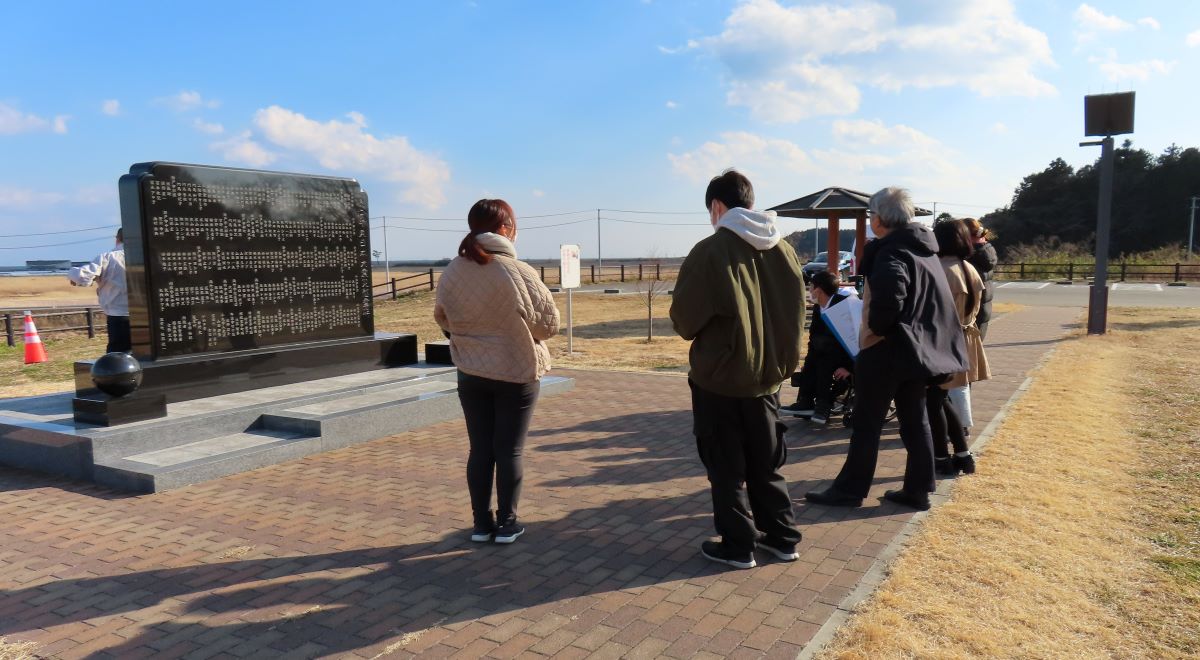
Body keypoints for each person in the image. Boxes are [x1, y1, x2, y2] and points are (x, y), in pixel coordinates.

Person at [671, 169, 805, 569]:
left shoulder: (710, 251)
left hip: (721, 379)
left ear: (717, 207)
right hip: (768, 378)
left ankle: (738, 544)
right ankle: (782, 538)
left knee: (726, 468)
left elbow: (684, 321)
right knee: (767, 464)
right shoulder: (785, 250)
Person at [805, 187, 968, 511]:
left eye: (870, 215)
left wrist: (878, 326)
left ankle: (850, 491)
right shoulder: (925, 249)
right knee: (915, 420)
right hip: (917, 350)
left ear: (879, 219)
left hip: (885, 350)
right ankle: (918, 490)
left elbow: (889, 298)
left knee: (867, 424)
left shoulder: (891, 252)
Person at [433, 199, 559, 544]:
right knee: (509, 451)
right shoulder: (519, 271)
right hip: (516, 369)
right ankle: (507, 522)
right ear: (505, 228)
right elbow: (549, 326)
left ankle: (480, 524)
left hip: (470, 371)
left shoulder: (454, 269)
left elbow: (442, 316)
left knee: (480, 449)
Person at [930, 218, 991, 476]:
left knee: (932, 402)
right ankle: (964, 455)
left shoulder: (939, 269)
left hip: (942, 341)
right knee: (941, 400)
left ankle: (942, 458)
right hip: (964, 339)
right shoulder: (969, 267)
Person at [781, 271, 854, 425]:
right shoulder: (818, 308)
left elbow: (853, 340)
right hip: (825, 353)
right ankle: (806, 401)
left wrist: (849, 368)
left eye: (811, 287)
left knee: (823, 360)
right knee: (812, 358)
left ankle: (823, 405)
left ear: (818, 290)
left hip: (843, 357)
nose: (809, 291)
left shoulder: (844, 305)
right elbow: (814, 337)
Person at [68, 228, 130, 354]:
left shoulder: (108, 258)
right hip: (149, 316)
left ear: (117, 239)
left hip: (118, 316)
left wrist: (71, 275)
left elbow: (81, 276)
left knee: (118, 358)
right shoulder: (147, 256)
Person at [962, 217, 997, 340]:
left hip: (972, 311)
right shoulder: (986, 251)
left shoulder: (972, 256)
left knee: (969, 350)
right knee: (976, 348)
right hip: (983, 309)